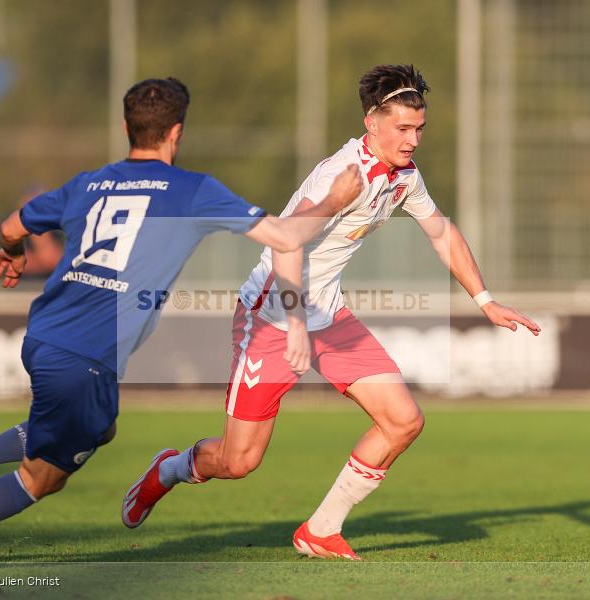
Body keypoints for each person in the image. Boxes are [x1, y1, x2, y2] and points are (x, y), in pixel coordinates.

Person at [0, 77, 362, 577]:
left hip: (45, 333)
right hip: (86, 356)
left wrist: (13, 253)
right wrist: (333, 200)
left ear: (127, 128)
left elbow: (9, 227)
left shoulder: (90, 182)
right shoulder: (192, 189)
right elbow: (285, 235)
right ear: (176, 133)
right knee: (39, 480)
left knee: (100, 428)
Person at [122, 65, 541, 560]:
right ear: (372, 122)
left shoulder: (404, 175)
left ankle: (320, 530)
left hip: (329, 315)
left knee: (403, 421)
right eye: (403, 129)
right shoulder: (341, 176)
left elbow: (440, 232)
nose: (412, 141)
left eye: (419, 130)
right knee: (239, 461)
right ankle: (170, 469)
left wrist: (485, 300)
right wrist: (296, 323)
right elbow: (285, 242)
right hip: (272, 315)